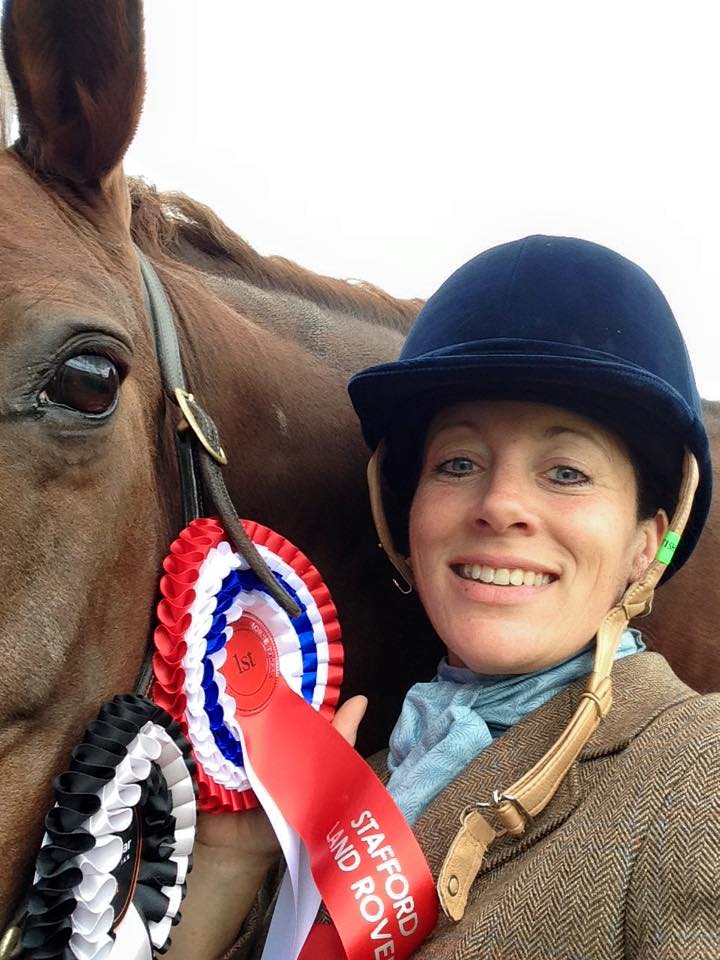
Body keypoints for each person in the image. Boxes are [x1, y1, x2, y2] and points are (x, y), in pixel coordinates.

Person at [169, 235, 719, 959]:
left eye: (566, 472)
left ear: (647, 542)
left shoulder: (697, 772)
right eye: (458, 463)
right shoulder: (361, 782)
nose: (499, 505)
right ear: (408, 518)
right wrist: (235, 858)